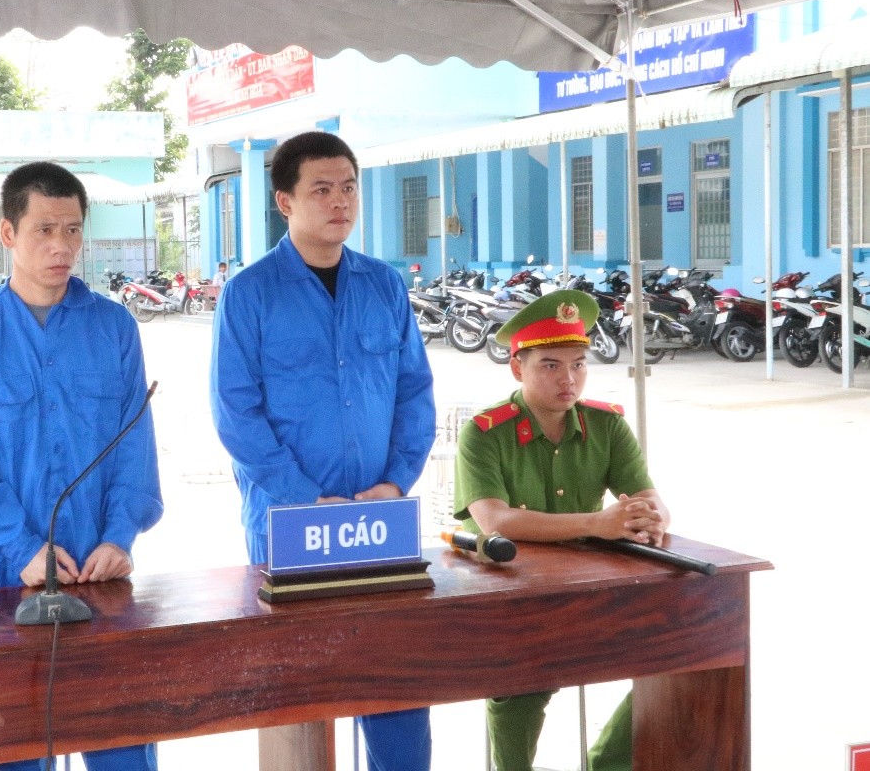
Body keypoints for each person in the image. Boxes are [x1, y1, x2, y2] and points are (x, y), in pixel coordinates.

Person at [210, 131, 436, 771]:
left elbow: (414, 393)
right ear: (285, 201)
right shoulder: (250, 293)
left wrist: (395, 483)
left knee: (395, 689)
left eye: (349, 188)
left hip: (377, 521)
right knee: (299, 698)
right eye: (322, 190)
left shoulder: (384, 286)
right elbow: (236, 413)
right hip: (288, 525)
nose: (340, 202)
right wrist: (306, 498)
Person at [0, 161, 163, 771]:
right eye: (43, 230)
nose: (62, 246)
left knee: (122, 748)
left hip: (98, 575)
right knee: (18, 749)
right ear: (8, 233)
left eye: (73, 230)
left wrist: (119, 535)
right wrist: (21, 548)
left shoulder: (114, 327)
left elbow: (135, 448)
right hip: (5, 582)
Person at [453, 289, 671, 771]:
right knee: (523, 682)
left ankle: (606, 765)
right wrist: (598, 523)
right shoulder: (484, 434)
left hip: (585, 585)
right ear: (517, 368)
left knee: (672, 655)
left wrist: (650, 518)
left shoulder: (606, 426)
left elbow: (649, 498)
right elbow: (495, 520)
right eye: (550, 365)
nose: (568, 379)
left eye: (578, 364)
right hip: (508, 595)